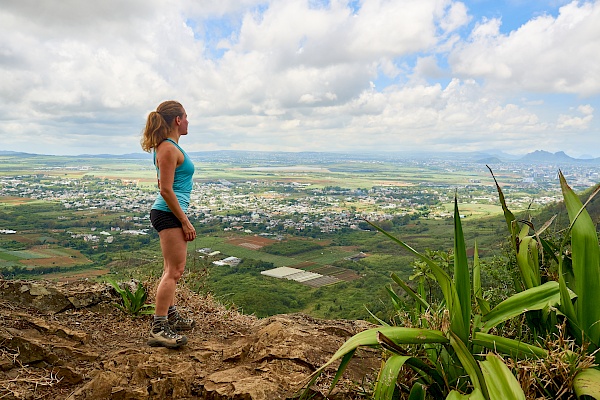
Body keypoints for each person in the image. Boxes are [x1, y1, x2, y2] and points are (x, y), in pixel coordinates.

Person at [141, 100, 196, 348]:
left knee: (171, 270)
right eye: (185, 117)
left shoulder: (168, 147)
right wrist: (184, 221)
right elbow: (165, 190)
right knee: (174, 272)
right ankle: (159, 327)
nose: (187, 121)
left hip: (169, 213)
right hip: (168, 214)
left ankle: (170, 315)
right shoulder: (167, 148)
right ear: (177, 120)